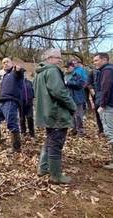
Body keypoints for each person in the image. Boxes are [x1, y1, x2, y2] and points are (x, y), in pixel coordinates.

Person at [34, 49, 77, 184]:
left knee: (50, 141)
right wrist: (73, 106)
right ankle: (55, 176)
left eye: (60, 58)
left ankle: (43, 168)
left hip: (47, 113)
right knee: (56, 144)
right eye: (57, 57)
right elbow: (59, 92)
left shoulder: (39, 73)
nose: (60, 60)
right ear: (49, 58)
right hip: (56, 113)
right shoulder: (52, 71)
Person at [0, 58, 24, 152]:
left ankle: (16, 148)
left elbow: (19, 72)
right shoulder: (4, 75)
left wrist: (18, 69)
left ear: (12, 63)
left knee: (12, 123)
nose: (5, 63)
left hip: (11, 101)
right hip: (2, 102)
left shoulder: (15, 72)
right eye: (3, 62)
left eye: (7, 61)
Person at [64, 61, 86, 136]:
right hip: (68, 99)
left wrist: (68, 83)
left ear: (72, 67)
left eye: (68, 67)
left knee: (78, 115)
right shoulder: (64, 75)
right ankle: (74, 129)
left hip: (77, 98)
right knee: (71, 115)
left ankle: (81, 131)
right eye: (66, 67)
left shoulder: (77, 75)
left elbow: (80, 85)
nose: (66, 69)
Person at [19, 71, 35, 138]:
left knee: (30, 117)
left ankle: (32, 132)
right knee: (22, 118)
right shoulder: (18, 82)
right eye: (22, 74)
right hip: (21, 103)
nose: (24, 75)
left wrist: (32, 96)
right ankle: (23, 132)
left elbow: (33, 90)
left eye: (25, 73)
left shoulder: (29, 82)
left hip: (29, 102)